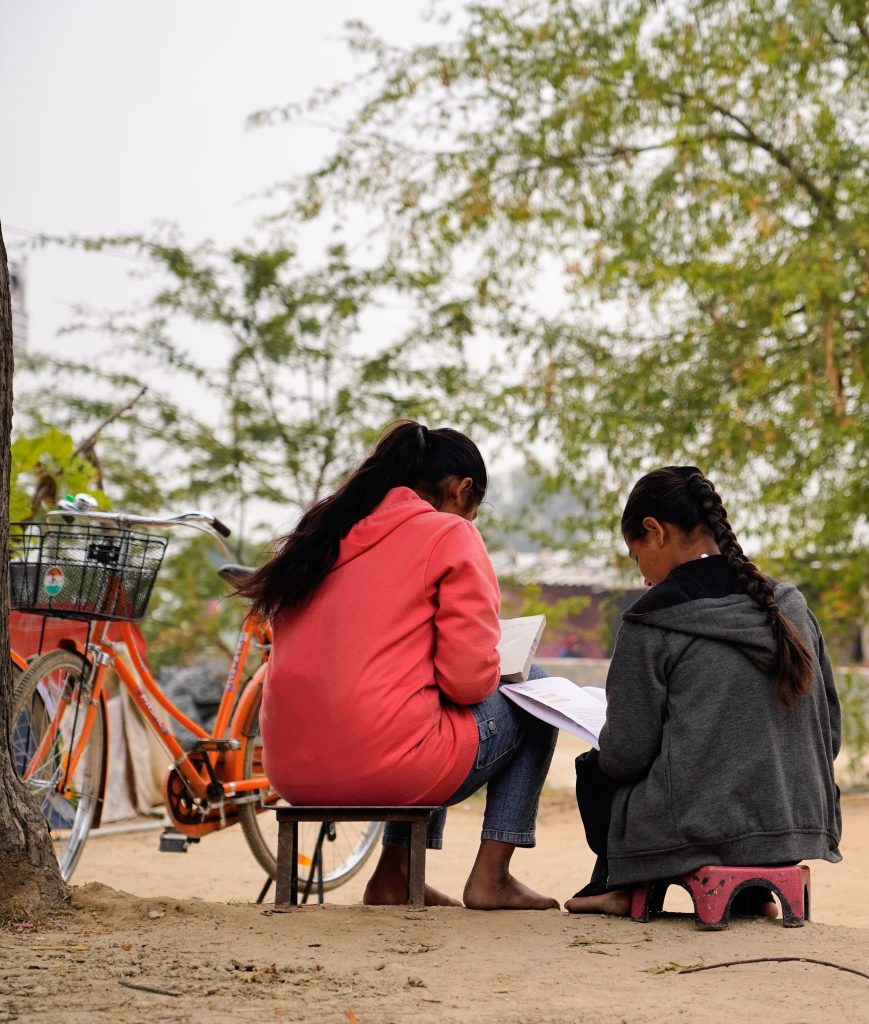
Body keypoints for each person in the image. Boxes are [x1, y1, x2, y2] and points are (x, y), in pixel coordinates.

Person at [238, 420, 560, 910]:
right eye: (473, 512)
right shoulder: (448, 533)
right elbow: (469, 681)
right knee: (535, 688)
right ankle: (492, 876)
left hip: (291, 770)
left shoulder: (320, 536)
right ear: (462, 490)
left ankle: (396, 875)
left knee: (413, 705)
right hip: (388, 764)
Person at [565, 466, 842, 917]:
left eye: (637, 558)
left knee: (598, 769)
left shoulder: (652, 619)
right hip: (796, 823)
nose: (643, 577)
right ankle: (755, 893)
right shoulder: (788, 603)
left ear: (654, 532)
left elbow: (627, 754)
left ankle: (616, 882)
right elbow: (829, 735)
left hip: (697, 825)